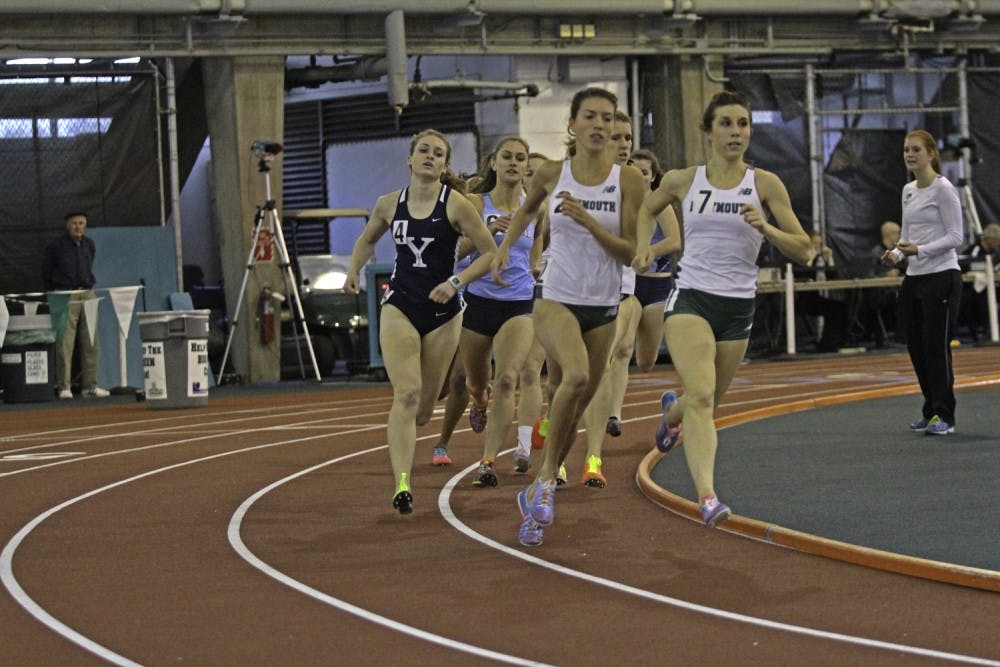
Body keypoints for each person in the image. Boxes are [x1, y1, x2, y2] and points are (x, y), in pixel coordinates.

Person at [634, 90, 810, 527]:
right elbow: (646, 208)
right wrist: (642, 245)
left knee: (702, 404)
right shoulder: (682, 179)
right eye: (727, 123)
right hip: (691, 297)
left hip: (738, 307)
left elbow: (805, 249)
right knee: (703, 394)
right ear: (708, 131)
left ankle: (670, 414)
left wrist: (766, 227)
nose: (736, 132)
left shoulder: (765, 183)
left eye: (743, 124)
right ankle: (707, 497)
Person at [491, 86, 644, 547]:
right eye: (591, 116)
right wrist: (502, 249)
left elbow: (628, 251)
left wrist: (591, 222)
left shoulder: (629, 181)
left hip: (604, 305)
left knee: (576, 401)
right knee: (574, 377)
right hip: (556, 297)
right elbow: (526, 213)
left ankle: (538, 495)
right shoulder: (555, 174)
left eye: (608, 117)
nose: (600, 124)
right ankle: (544, 479)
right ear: (572, 125)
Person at [344, 129, 498, 514]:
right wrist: (352, 271)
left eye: (438, 153)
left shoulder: (458, 205)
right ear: (410, 159)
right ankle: (402, 483)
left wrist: (456, 281)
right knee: (407, 394)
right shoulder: (387, 204)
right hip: (400, 304)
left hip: (444, 314)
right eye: (423, 151)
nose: (430, 156)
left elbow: (490, 253)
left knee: (425, 410)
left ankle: (422, 427)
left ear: (445, 164)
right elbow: (366, 240)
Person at [459, 136, 542, 487]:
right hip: (478, 303)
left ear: (526, 167)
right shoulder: (475, 203)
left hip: (518, 304)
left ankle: (488, 461)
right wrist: (487, 232)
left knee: (509, 378)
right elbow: (457, 251)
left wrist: (535, 265)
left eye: (519, 158)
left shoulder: (535, 208)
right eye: (506, 156)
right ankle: (478, 401)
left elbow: (539, 245)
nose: (513, 162)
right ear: (494, 163)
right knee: (477, 384)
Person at [578, 111, 644, 488]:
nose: (624, 145)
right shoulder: (575, 180)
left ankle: (593, 456)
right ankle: (558, 450)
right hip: (571, 290)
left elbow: (652, 234)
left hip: (618, 290)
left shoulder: (636, 185)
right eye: (617, 137)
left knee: (605, 365)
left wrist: (646, 251)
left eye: (628, 138)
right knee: (568, 377)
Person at [884, 129, 964, 436]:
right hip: (914, 278)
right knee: (916, 346)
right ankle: (930, 410)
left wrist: (921, 250)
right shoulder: (907, 190)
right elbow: (906, 238)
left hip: (942, 276)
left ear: (930, 153)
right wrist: (896, 255)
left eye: (916, 149)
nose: (909, 154)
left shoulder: (944, 189)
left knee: (936, 346)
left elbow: (957, 237)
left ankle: (946, 415)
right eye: (906, 150)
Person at [41, 211, 109, 399]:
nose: (78, 227)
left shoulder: (89, 244)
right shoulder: (56, 246)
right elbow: (46, 272)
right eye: (74, 223)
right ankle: (64, 386)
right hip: (65, 294)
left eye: (81, 223)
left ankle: (90, 385)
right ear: (67, 225)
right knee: (65, 341)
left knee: (91, 340)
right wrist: (54, 292)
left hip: (87, 293)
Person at [794, 231, 848, 352]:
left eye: (820, 244)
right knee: (833, 308)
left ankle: (831, 342)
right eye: (814, 244)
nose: (817, 247)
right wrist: (811, 257)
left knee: (839, 307)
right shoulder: (801, 256)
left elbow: (833, 277)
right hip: (803, 299)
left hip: (816, 297)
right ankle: (827, 343)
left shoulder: (821, 259)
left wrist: (830, 258)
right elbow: (803, 274)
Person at [957, 222, 1000, 341]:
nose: (998, 243)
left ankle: (989, 330)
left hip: (988, 285)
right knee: (978, 301)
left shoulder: (995, 252)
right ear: (989, 239)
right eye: (996, 240)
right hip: (970, 287)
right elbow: (966, 263)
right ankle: (980, 332)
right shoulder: (975, 249)